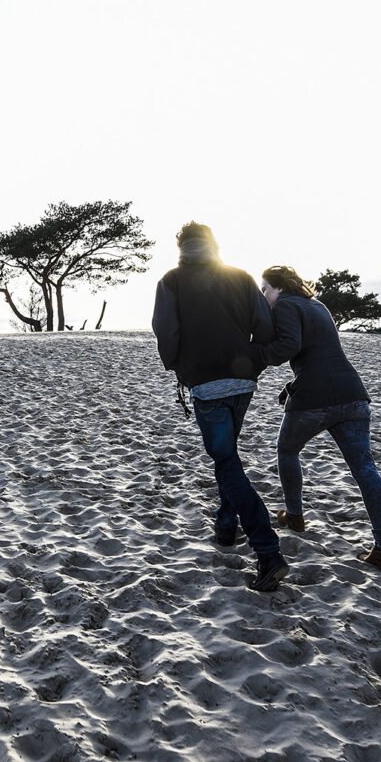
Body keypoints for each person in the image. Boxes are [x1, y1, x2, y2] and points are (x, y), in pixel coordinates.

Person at [152, 223, 289, 592]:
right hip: (243, 384)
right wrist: (251, 362)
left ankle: (268, 552)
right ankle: (226, 527)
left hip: (207, 386)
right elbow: (264, 329)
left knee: (227, 464)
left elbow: (167, 333)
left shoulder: (171, 281)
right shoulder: (240, 277)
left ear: (181, 246)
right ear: (213, 244)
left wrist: (180, 367)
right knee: (228, 458)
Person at [253, 265, 381, 567]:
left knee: (287, 450)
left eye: (265, 288)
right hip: (352, 394)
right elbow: (321, 354)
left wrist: (254, 355)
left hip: (313, 400)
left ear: (278, 288)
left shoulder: (284, 305)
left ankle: (294, 516)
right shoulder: (318, 305)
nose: (263, 295)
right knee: (365, 469)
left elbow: (288, 347)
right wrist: (293, 383)